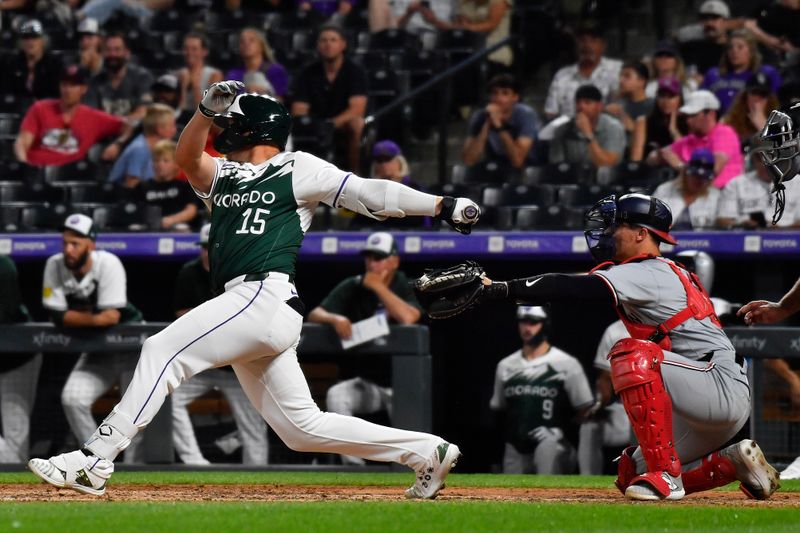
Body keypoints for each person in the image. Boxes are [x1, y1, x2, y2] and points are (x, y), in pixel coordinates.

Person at [27, 80, 480, 498]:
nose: (225, 129)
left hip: (262, 295)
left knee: (161, 351)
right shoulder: (222, 174)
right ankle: (426, 451)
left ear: (252, 127)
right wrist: (203, 112)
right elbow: (187, 158)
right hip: (251, 305)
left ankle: (93, 460)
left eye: (230, 121)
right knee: (301, 428)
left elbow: (369, 193)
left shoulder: (296, 166)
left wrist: (439, 205)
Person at [429, 192, 779, 501]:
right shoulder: (656, 270)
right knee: (630, 474)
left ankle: (667, 476)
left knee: (631, 353)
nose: (610, 232)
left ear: (642, 234)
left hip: (715, 383)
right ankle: (731, 463)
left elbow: (570, 287)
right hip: (704, 393)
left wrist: (498, 288)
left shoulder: (649, 270)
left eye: (619, 225)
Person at [307, 232, 421, 465]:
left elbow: (410, 317)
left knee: (411, 437)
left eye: (378, 258)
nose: (372, 263)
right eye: (369, 257)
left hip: (402, 384)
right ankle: (353, 465)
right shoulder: (354, 285)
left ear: (394, 261)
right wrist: (335, 319)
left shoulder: (404, 284)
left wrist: (379, 288)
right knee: (337, 395)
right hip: (367, 382)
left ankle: (413, 469)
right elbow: (315, 313)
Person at [42, 214, 144, 463]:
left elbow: (110, 317)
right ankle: (95, 459)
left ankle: (136, 472)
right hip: (97, 350)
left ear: (91, 244)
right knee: (72, 398)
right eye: (65, 242)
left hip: (131, 346)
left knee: (136, 413)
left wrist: (73, 316)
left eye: (76, 243)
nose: (69, 249)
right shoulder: (54, 264)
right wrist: (91, 318)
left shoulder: (108, 263)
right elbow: (56, 315)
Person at [170, 224, 269, 465]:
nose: (207, 252)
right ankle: (195, 464)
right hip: (203, 364)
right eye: (204, 247)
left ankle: (258, 476)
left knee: (253, 424)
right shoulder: (189, 272)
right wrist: (217, 317)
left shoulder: (241, 272)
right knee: (169, 398)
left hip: (238, 366)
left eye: (212, 247)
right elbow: (181, 313)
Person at [490, 305, 593, 474]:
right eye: (523, 322)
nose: (527, 327)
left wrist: (561, 430)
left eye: (533, 322)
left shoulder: (566, 364)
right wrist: (495, 459)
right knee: (511, 495)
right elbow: (499, 414)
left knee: (548, 449)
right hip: (515, 447)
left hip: (554, 444)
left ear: (545, 324)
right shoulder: (506, 365)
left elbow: (586, 412)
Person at [14, 64, 130, 167]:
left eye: (73, 86)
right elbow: (22, 141)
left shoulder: (95, 118)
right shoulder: (40, 108)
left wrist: (118, 144)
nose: (68, 90)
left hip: (70, 172)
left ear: (83, 89)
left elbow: (130, 126)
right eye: (64, 85)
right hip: (36, 172)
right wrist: (25, 165)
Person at [291, 23, 368, 172]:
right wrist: (314, 124)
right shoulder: (308, 72)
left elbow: (357, 109)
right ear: (318, 45)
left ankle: (355, 173)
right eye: (324, 40)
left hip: (342, 123)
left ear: (343, 44)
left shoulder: (355, 71)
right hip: (315, 122)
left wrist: (330, 124)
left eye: (333, 40)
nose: (328, 44)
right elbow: (299, 109)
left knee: (356, 124)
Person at [649, 89, 743, 188]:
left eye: (693, 115)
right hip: (694, 197)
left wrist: (679, 165)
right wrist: (660, 155)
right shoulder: (690, 140)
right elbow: (651, 159)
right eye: (687, 116)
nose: (688, 121)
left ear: (711, 114)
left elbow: (713, 170)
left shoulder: (724, 133)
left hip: (723, 195)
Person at [0, 255, 42, 463]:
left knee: (15, 434)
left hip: (16, 359)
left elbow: (5, 313)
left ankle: (14, 492)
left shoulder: (3, 266)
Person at [577, 319, 631, 475]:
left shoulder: (668, 324)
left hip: (666, 410)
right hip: (626, 409)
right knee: (589, 427)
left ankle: (648, 479)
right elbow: (604, 378)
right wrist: (599, 404)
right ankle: (587, 484)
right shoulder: (615, 330)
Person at [462, 73, 539, 172]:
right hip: (496, 169)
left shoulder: (526, 115)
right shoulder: (480, 116)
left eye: (505, 93)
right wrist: (486, 124)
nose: (498, 99)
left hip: (529, 169)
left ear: (515, 97)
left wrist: (499, 126)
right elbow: (468, 160)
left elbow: (517, 161)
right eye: (495, 93)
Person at [543, 23, 622, 120]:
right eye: (582, 41)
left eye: (593, 41)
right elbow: (551, 112)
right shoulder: (562, 75)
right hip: (568, 131)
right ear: (576, 45)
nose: (587, 45)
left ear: (603, 45)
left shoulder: (617, 70)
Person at [701, 29, 781, 115]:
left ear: (751, 51)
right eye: (730, 47)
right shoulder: (713, 74)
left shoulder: (765, 74)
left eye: (740, 47)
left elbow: (776, 103)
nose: (734, 51)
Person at [549, 84, 626, 169]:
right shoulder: (563, 129)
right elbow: (558, 167)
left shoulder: (613, 127)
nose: (581, 107)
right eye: (578, 102)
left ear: (599, 106)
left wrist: (588, 134)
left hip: (607, 179)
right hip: (573, 179)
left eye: (587, 102)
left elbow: (607, 165)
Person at [85, 31, 154, 121]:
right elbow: (90, 114)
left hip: (134, 132)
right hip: (103, 131)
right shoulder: (95, 81)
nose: (113, 54)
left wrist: (119, 123)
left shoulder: (142, 77)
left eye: (117, 49)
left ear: (127, 53)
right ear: (102, 53)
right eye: (108, 50)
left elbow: (144, 111)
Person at [717, 154, 800, 229]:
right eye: (762, 160)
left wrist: (778, 230)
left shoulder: (797, 182)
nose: (767, 164)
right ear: (754, 160)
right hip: (747, 235)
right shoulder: (736, 184)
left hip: (789, 239)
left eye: (773, 159)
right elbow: (723, 219)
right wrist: (741, 224)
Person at [108, 103, 177, 189]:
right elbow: (131, 186)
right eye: (172, 125)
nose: (175, 130)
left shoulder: (156, 148)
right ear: (160, 129)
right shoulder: (139, 150)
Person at [133, 140, 198, 230]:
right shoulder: (142, 187)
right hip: (148, 230)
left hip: (176, 229)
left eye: (165, 161)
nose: (160, 165)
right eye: (156, 160)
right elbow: (135, 211)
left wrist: (172, 220)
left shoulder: (184, 186)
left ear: (176, 164)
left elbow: (191, 210)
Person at [653, 148, 720, 230]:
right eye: (695, 175)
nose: (699, 180)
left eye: (704, 177)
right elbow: (650, 222)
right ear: (685, 172)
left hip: (703, 241)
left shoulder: (715, 196)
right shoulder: (664, 190)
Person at [0, 18, 63, 101]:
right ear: (21, 42)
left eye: (34, 37)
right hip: (16, 110)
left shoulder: (54, 64)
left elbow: (57, 95)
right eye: (26, 37)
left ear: (43, 40)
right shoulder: (11, 63)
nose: (30, 42)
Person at [630, 77, 687, 162]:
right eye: (662, 96)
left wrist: (674, 130)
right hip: (649, 172)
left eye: (671, 96)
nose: (666, 101)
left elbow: (687, 158)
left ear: (680, 99)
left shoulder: (688, 122)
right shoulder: (643, 122)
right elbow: (635, 162)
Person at [225, 27, 289, 102]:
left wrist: (263, 93)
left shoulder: (276, 70)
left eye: (251, 40)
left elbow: (280, 101)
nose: (246, 44)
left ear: (261, 45)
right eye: (242, 41)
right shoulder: (234, 74)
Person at [722, 72, 780, 150]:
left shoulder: (779, 123)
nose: (757, 99)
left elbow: (780, 154)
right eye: (754, 93)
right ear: (745, 96)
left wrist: (762, 125)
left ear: (769, 100)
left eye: (762, 94)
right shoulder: (729, 122)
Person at [676, 0, 733, 77]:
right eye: (705, 19)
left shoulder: (733, 49)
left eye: (714, 18)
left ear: (726, 22)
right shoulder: (691, 48)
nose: (709, 23)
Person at [178, 32, 224, 118]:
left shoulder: (214, 75)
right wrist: (183, 88)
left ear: (204, 52)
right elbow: (178, 110)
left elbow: (208, 112)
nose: (189, 52)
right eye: (186, 48)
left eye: (194, 49)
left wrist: (196, 86)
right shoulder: (179, 74)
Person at [605, 61, 654, 139]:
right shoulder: (617, 102)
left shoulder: (652, 106)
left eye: (627, 76)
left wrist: (622, 114)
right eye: (620, 76)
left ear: (641, 81)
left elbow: (648, 136)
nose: (621, 80)